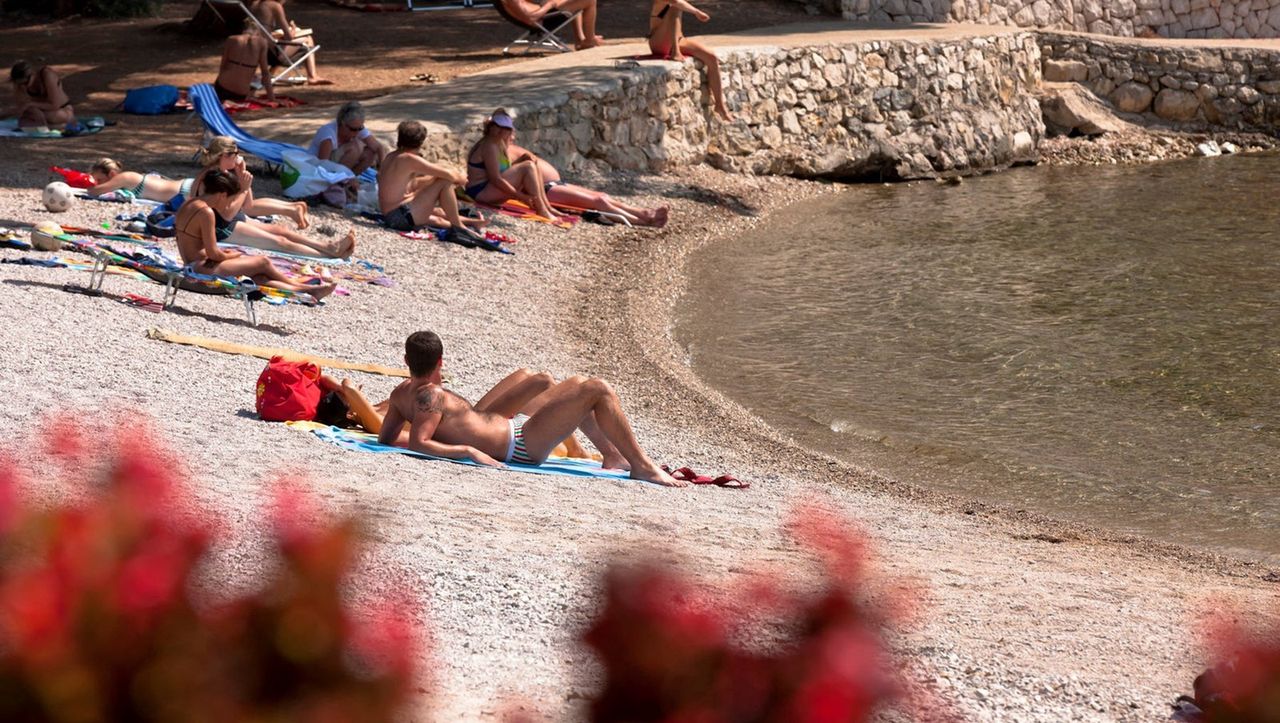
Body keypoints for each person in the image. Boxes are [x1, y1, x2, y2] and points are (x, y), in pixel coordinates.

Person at [378, 331, 683, 486]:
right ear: (441, 361)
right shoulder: (431, 395)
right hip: (521, 446)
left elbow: (386, 440)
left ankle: (613, 455)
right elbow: (419, 441)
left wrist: (447, 441)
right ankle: (642, 466)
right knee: (597, 389)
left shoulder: (400, 392)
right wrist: (466, 451)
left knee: (576, 384)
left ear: (406, 361)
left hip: (509, 427)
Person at [322, 368, 627, 468]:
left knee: (529, 377)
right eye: (344, 399)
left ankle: (588, 445)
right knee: (545, 384)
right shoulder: (372, 419)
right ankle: (584, 448)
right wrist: (343, 390)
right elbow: (350, 389)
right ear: (350, 409)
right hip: (477, 431)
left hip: (472, 417)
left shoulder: (384, 406)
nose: (351, 388)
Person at [175, 170, 336, 299]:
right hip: (199, 267)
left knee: (259, 278)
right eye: (229, 200)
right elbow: (213, 253)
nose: (228, 205)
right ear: (222, 195)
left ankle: (307, 291)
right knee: (263, 262)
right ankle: (300, 286)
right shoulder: (206, 212)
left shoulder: (189, 203)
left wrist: (226, 255)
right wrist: (232, 255)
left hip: (193, 263)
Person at [194, 136, 357, 259]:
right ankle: (329, 255)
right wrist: (243, 189)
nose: (238, 157)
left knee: (282, 230)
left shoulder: (225, 172)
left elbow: (248, 206)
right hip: (219, 227)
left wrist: (240, 174)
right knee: (280, 242)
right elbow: (226, 214)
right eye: (235, 154)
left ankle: (328, 246)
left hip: (229, 219)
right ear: (223, 155)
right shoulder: (213, 177)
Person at [504, 134, 669, 227]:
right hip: (545, 190)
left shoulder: (507, 148)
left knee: (603, 196)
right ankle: (643, 221)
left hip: (554, 184)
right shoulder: (501, 153)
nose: (513, 135)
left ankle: (643, 212)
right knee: (598, 201)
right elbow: (513, 176)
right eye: (509, 132)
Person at [379, 120, 487, 244]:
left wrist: (434, 179)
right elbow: (449, 175)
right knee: (444, 182)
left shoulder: (392, 156)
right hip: (399, 217)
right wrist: (462, 176)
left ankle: (473, 223)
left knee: (437, 212)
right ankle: (458, 227)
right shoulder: (409, 159)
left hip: (391, 215)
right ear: (421, 141)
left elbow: (414, 184)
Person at [464, 110, 559, 220]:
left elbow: (504, 171)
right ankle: (541, 209)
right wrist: (520, 196)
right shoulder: (489, 145)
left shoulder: (499, 143)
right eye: (497, 126)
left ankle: (546, 206)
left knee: (531, 163)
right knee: (528, 166)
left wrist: (520, 160)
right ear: (490, 127)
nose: (500, 130)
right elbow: (495, 178)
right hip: (480, 192)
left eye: (504, 128)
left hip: (488, 188)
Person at [648, 0, 731, 121]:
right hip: (659, 42)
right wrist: (696, 12)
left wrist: (696, 11)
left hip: (679, 39)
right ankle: (675, 51)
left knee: (712, 57)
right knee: (675, 8)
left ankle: (720, 105)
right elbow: (675, 2)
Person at [247, 0, 333, 85]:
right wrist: (293, 28)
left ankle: (270, 73)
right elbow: (289, 37)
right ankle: (312, 76)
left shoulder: (255, 4)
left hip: (256, 50)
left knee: (280, 44)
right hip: (272, 55)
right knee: (308, 38)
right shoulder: (275, 5)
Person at [309, 101, 385, 176]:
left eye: (360, 128)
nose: (357, 133)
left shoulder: (357, 127)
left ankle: (350, 177)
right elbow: (322, 164)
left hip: (337, 164)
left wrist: (383, 171)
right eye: (353, 129)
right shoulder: (328, 134)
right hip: (318, 165)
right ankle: (341, 179)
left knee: (370, 153)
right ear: (343, 124)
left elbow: (378, 147)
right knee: (355, 147)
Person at [502, 0, 602, 50]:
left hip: (544, 13)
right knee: (590, 0)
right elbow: (531, 18)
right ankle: (589, 40)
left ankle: (581, 40)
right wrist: (550, 5)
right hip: (544, 20)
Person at [9, 61, 78, 130]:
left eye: (26, 83)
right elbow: (21, 108)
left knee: (29, 118)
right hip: (42, 112)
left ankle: (53, 126)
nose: (24, 86)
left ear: (33, 74)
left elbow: (54, 105)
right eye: (20, 84)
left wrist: (31, 104)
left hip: (61, 109)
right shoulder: (19, 86)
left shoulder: (46, 75)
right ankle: (53, 126)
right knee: (26, 117)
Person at [87, 159, 189, 203]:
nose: (97, 183)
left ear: (112, 174)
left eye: (99, 180)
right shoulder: (129, 179)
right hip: (182, 190)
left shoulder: (125, 177)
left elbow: (93, 191)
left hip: (182, 191)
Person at [214, 29, 274, 103]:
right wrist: (272, 98)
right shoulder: (262, 42)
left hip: (222, 88)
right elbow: (265, 73)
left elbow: (223, 66)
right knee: (257, 80)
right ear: (258, 32)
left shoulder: (231, 39)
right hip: (240, 93)